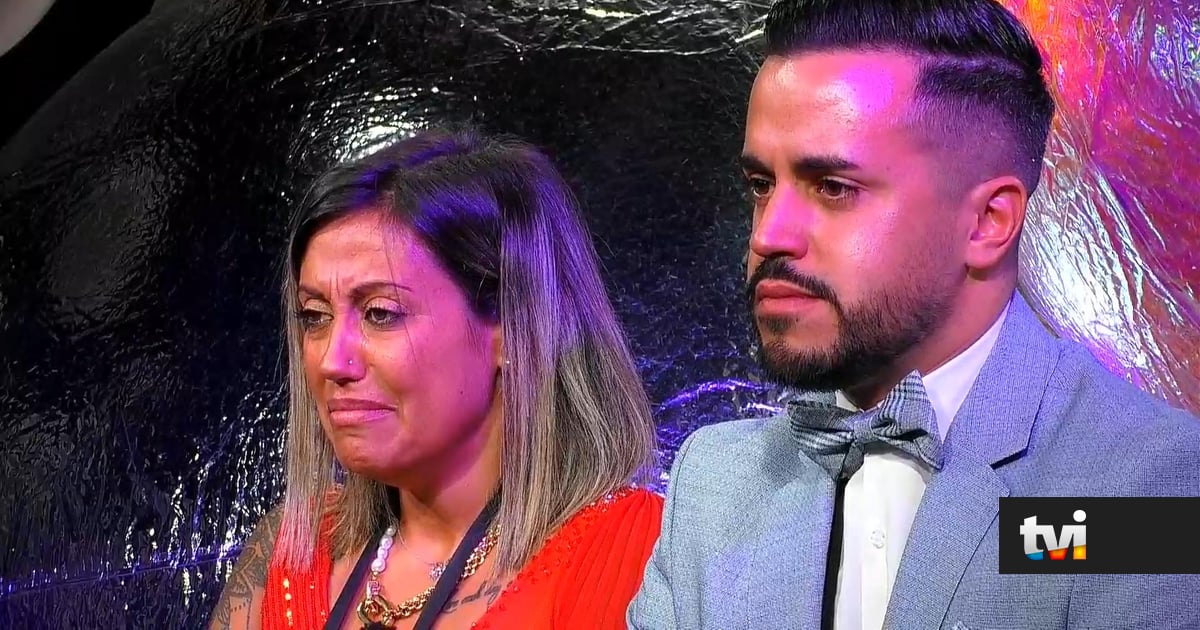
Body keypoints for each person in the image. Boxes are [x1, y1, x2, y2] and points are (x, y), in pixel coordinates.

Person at [628, 0, 1200, 629]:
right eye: (762, 185)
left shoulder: (1137, 482)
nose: (769, 234)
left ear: (988, 222)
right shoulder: (715, 486)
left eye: (833, 187)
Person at [207, 126, 663, 630]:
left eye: (380, 313)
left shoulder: (630, 552)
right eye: (315, 316)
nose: (332, 361)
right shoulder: (292, 547)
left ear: (512, 329)